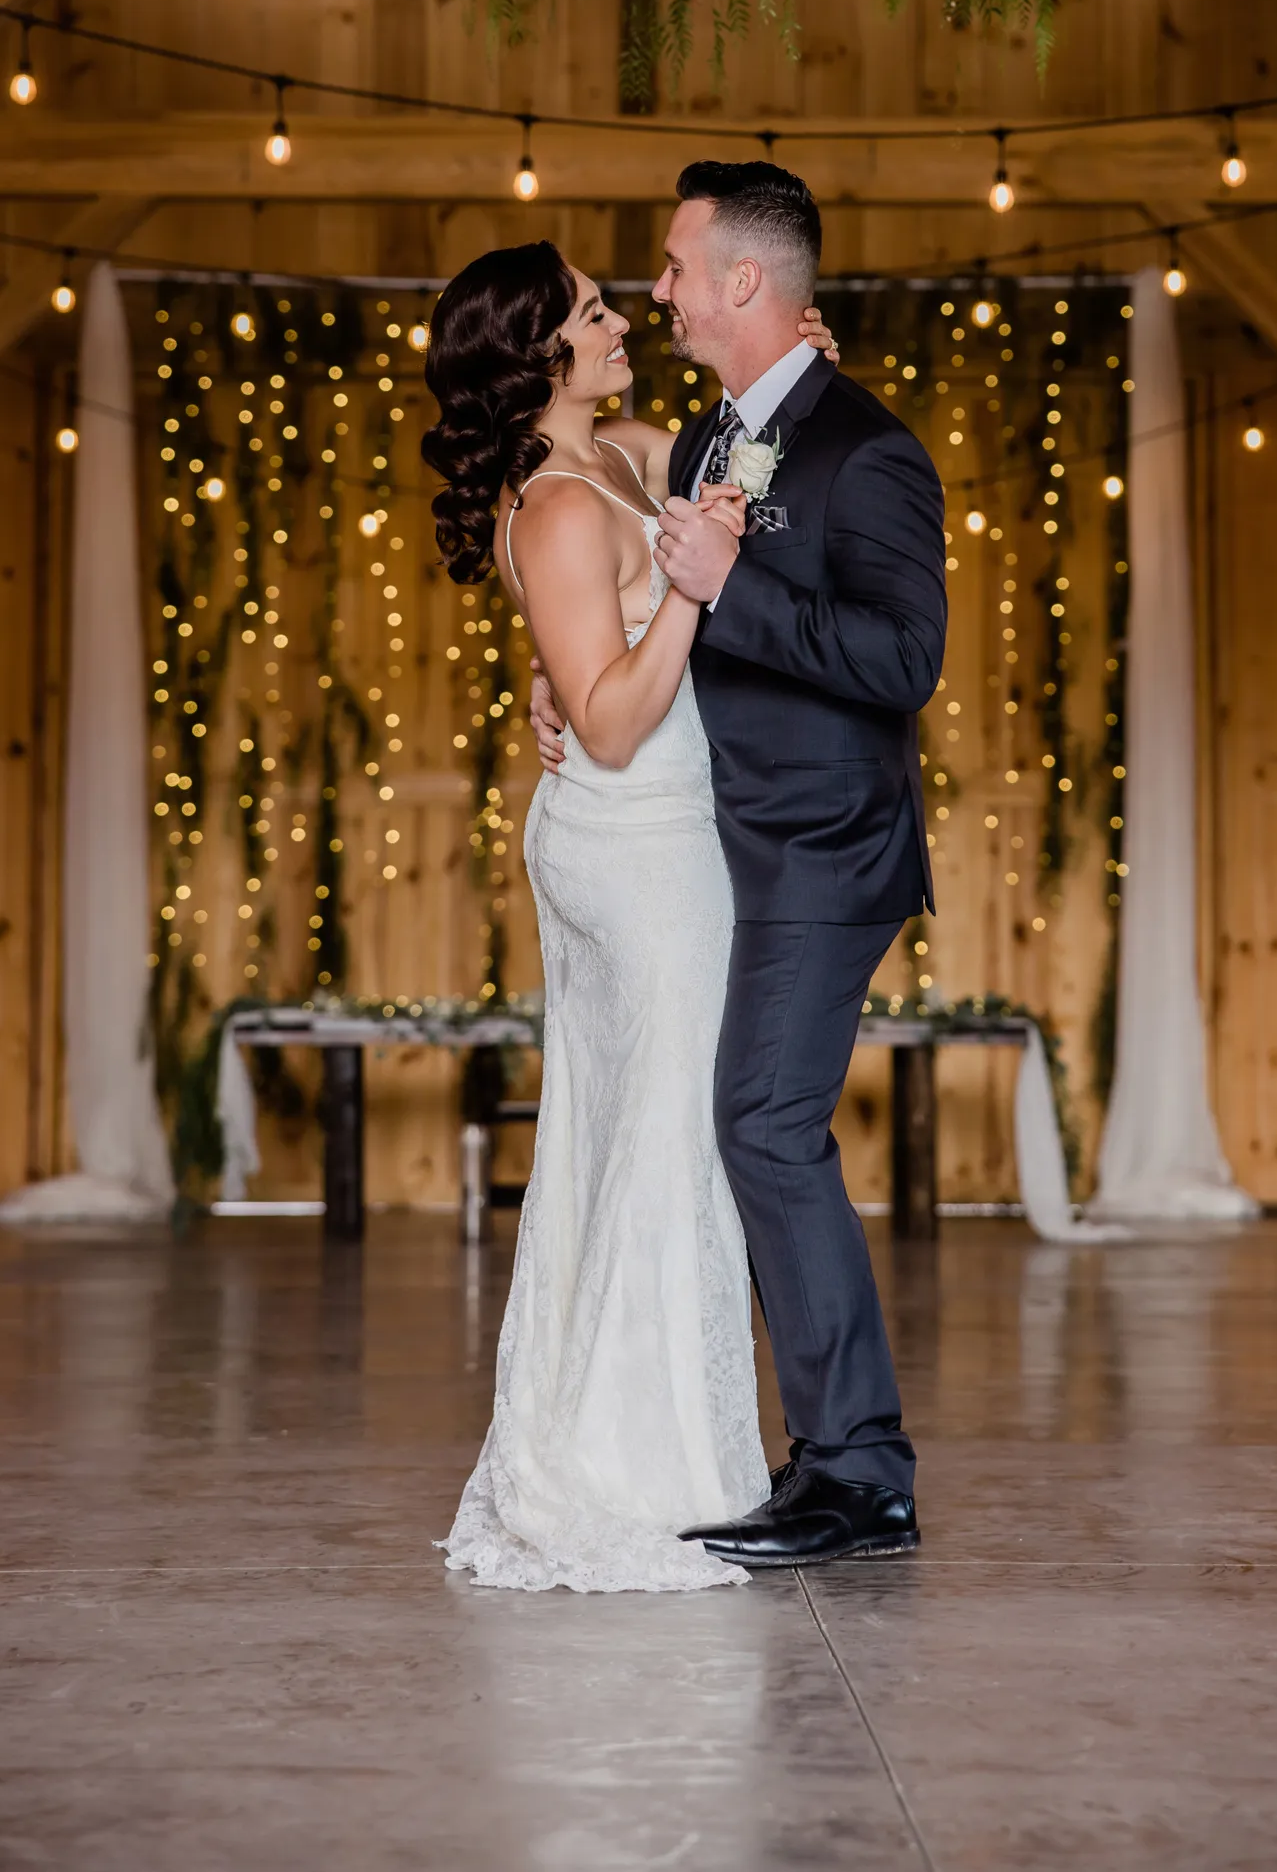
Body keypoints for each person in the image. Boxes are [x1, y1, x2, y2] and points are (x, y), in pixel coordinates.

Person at [532, 162, 947, 1569]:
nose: (658, 291)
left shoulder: (867, 452)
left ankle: (859, 1472)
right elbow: (664, 608)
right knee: (752, 1129)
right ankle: (833, 1455)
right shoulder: (718, 438)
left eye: (672, 267)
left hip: (825, 847)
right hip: (723, 845)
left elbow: (905, 660)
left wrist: (729, 589)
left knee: (765, 1127)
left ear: (745, 284)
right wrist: (573, 682)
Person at [421, 236, 841, 1592]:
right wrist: (692, 596)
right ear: (544, 351)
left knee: (670, 1137)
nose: (619, 322)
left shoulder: (628, 448)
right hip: (629, 839)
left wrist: (786, 385)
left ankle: (681, 1446)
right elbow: (602, 721)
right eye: (596, 312)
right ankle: (636, 1473)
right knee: (658, 1137)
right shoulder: (552, 505)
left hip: (681, 833)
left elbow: (733, 478)